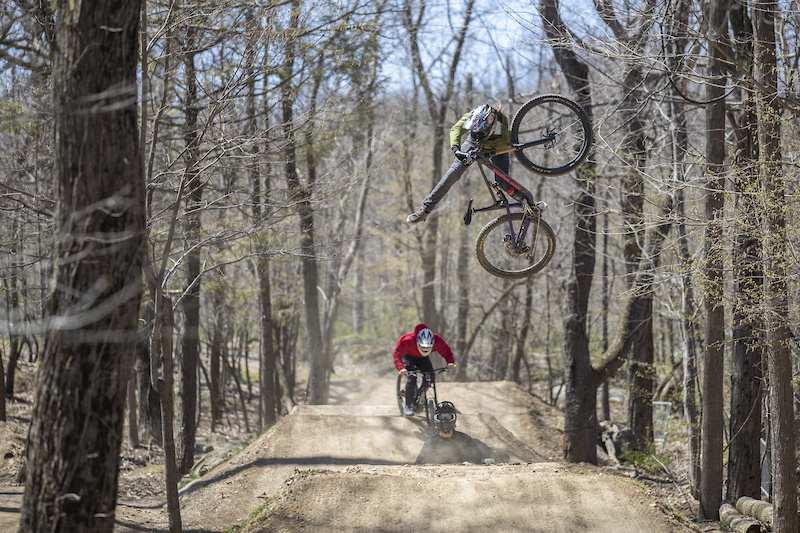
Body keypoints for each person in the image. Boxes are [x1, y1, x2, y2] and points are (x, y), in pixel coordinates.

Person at [407, 103, 511, 225]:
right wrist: (456, 150)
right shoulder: (472, 116)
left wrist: (478, 151)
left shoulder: (501, 126)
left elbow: (504, 143)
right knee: (454, 172)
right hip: (473, 142)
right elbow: (456, 129)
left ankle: (528, 202)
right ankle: (425, 209)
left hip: (495, 148)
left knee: (503, 182)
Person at [393, 324, 455, 417]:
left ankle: (422, 395)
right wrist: (401, 368)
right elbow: (397, 354)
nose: (425, 349)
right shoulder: (408, 341)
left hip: (422, 357)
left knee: (430, 375)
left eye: (428, 347)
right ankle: (408, 406)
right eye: (423, 347)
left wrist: (450, 362)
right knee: (412, 377)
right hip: (408, 356)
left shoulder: (436, 340)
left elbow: (446, 350)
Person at [415, 401, 484, 464]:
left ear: (454, 418)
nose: (445, 420)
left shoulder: (465, 439)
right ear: (436, 419)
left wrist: (485, 460)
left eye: (448, 416)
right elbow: (418, 464)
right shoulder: (431, 443)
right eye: (441, 417)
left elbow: (479, 458)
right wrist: (426, 465)